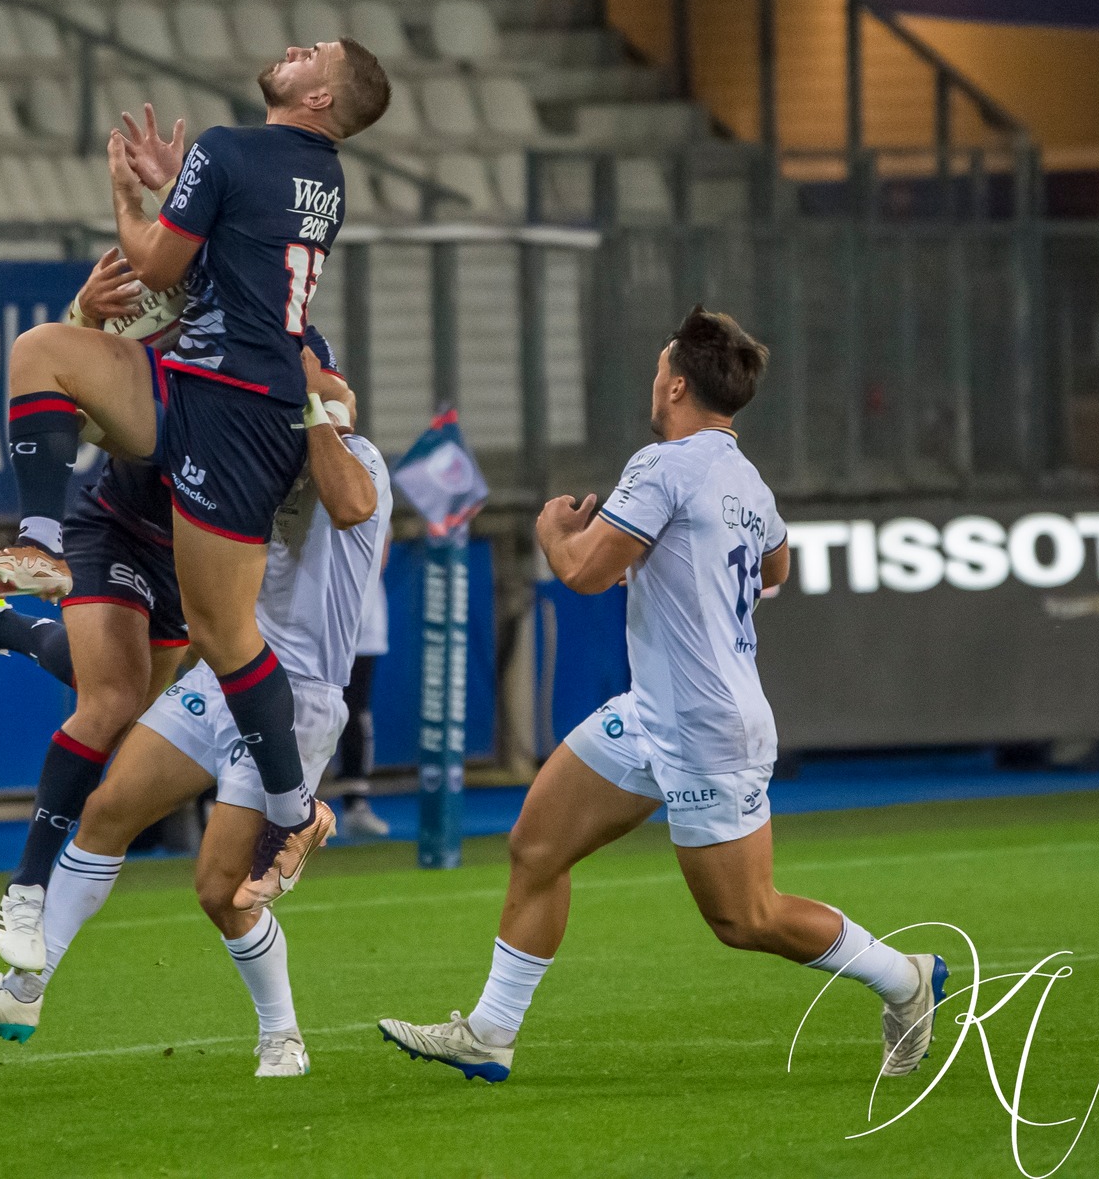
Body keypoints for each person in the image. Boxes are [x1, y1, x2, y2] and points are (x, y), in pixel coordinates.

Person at [377, 307, 947, 1083]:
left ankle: (906, 978)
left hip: (707, 724)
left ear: (676, 383)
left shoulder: (663, 465)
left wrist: (553, 530)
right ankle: (489, 1032)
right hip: (656, 712)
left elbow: (580, 573)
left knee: (744, 918)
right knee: (536, 846)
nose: (653, 383)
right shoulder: (746, 479)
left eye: (657, 371)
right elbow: (774, 570)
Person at [0, 45, 392, 910]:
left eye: (315, 53)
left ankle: (295, 812)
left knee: (204, 653)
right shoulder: (316, 177)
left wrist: (133, 198)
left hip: (231, 413)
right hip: (193, 411)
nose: (296, 49)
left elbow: (157, 268)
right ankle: (39, 547)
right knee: (43, 351)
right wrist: (180, 190)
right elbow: (202, 268)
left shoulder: (233, 151)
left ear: (322, 93)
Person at [0, 355, 389, 1077]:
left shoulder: (354, 458)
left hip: (297, 699)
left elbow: (353, 504)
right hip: (225, 676)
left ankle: (282, 1032)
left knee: (218, 889)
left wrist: (314, 409)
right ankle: (23, 989)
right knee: (108, 808)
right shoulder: (255, 460)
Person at [0, 245, 352, 971]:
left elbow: (342, 418)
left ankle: (1, 625)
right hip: (117, 528)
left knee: (117, 694)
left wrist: (322, 409)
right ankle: (28, 886)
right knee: (111, 702)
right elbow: (81, 401)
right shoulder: (177, 330)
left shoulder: (298, 346)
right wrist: (85, 315)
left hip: (196, 561)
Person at [336, 526, 391, 837]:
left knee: (354, 711)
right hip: (308, 625)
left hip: (362, 626)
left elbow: (376, 559)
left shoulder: (378, 493)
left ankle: (355, 803)